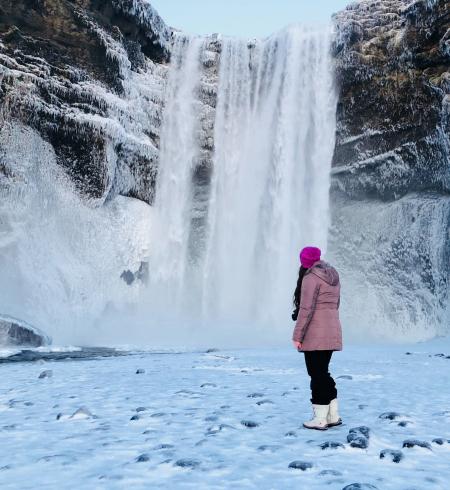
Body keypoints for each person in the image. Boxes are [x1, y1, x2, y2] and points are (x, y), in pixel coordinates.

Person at [291, 246, 343, 430]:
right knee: (323, 372)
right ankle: (332, 415)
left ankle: (320, 419)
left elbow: (306, 310)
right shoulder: (333, 275)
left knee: (316, 374)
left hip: (315, 334)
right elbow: (335, 304)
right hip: (332, 330)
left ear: (304, 261)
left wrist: (297, 336)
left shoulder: (310, 278)